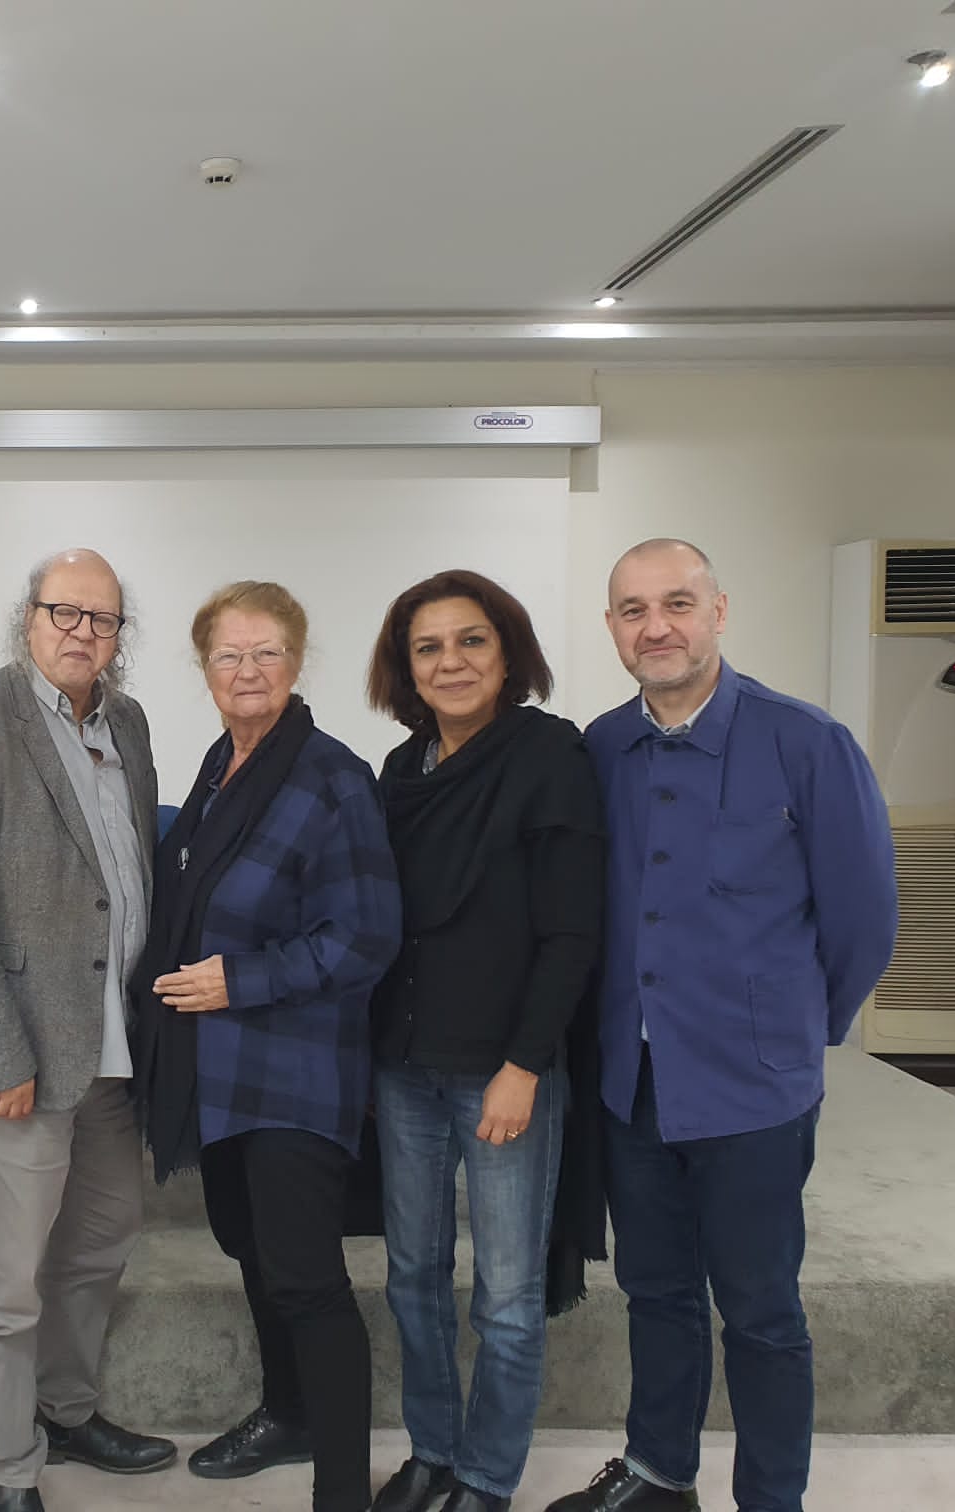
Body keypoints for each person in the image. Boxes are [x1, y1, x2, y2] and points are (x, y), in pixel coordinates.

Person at [545, 540, 897, 1512]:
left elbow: (864, 923)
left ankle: (771, 1499)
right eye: (632, 610)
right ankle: (661, 1475)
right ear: (612, 627)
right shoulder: (600, 749)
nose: (655, 626)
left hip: (753, 1091)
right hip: (633, 1084)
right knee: (657, 1294)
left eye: (677, 603)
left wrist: (791, 1031)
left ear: (719, 612)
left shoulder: (807, 742)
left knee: (761, 1311)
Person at [0, 549, 175, 1512]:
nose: (82, 632)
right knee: (7, 1281)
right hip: (16, 1058)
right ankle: (5, 1468)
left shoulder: (126, 723)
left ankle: (66, 1409)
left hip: (111, 1047)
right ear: (28, 617)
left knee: (102, 1238)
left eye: (102, 619)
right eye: (65, 612)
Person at [134, 581, 401, 1512]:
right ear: (204, 666)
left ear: (298, 660)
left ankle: (342, 1490)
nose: (247, 671)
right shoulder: (222, 767)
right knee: (251, 1251)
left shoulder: (333, 778)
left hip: (295, 1072)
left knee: (307, 1279)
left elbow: (365, 938)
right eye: (229, 655)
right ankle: (288, 1414)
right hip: (218, 1072)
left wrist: (239, 980)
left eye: (267, 653)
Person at [363, 571, 608, 1512]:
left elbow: (571, 933)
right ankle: (432, 1451)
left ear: (508, 654)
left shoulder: (549, 757)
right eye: (428, 647)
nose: (451, 662)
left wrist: (524, 1065)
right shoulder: (402, 770)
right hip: (405, 1066)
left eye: (472, 641)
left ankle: (487, 1476)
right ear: (406, 668)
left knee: (505, 1296)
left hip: (504, 1069)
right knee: (412, 1279)